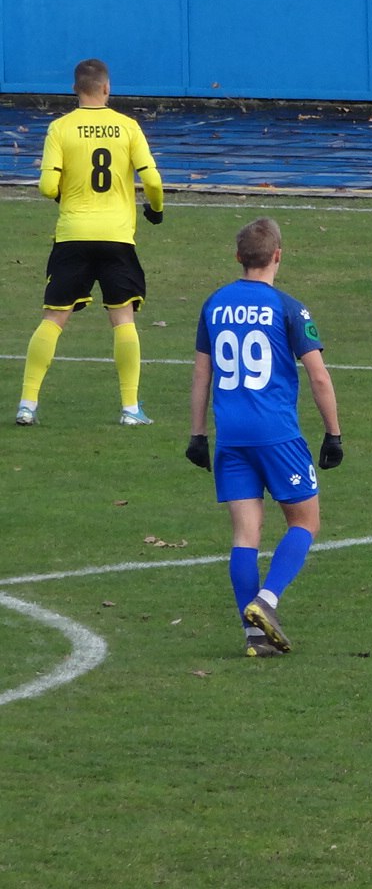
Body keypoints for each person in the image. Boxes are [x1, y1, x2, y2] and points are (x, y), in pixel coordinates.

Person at [186, 217, 343, 658]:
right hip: (276, 434)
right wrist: (333, 433)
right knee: (305, 522)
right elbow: (318, 376)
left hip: (230, 436)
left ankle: (255, 637)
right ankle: (267, 601)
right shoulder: (289, 307)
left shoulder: (214, 304)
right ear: (278, 255)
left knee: (245, 536)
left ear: (238, 258)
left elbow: (202, 373)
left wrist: (198, 434)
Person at [16, 59, 165, 428]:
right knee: (123, 319)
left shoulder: (60, 128)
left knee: (53, 319)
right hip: (117, 238)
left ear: (75, 90)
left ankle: (27, 404)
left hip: (73, 235)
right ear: (106, 88)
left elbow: (48, 187)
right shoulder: (128, 127)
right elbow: (154, 181)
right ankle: (130, 408)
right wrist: (156, 211)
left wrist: (66, 198)